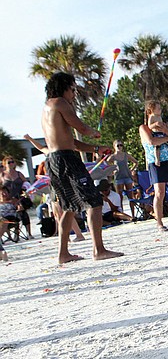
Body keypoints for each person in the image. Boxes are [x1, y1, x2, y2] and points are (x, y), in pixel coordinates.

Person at [40, 72, 123, 263]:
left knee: (69, 206)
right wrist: (92, 132)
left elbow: (73, 143)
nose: (74, 94)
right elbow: (82, 129)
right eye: (73, 89)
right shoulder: (60, 103)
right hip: (66, 160)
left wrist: (96, 148)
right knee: (94, 200)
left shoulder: (47, 108)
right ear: (64, 87)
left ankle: (63, 254)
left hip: (55, 159)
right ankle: (98, 250)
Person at [139, 100, 168, 231]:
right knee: (159, 193)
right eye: (157, 107)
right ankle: (159, 223)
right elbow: (151, 141)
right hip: (155, 162)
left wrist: (165, 130)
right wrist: (166, 139)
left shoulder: (163, 126)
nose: (160, 109)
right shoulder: (144, 128)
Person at [1, 156, 32, 239]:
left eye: (12, 162)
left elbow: (26, 184)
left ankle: (28, 233)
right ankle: (10, 235)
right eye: (9, 162)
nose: (11, 164)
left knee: (23, 212)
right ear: (5, 164)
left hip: (20, 197)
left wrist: (25, 190)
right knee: (6, 214)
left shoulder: (19, 173)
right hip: (8, 198)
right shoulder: (2, 175)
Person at [106, 140, 138, 217]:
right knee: (119, 197)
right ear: (114, 147)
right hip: (118, 177)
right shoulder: (113, 157)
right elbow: (107, 162)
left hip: (127, 176)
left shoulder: (126, 155)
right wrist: (112, 170)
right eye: (118, 145)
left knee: (130, 196)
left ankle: (133, 215)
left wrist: (131, 170)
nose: (120, 147)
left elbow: (136, 162)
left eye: (121, 145)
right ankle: (123, 216)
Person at [146, 102, 168, 167]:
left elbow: (161, 124)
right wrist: (155, 124)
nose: (160, 110)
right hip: (156, 134)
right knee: (157, 147)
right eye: (158, 109)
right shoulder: (152, 117)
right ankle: (157, 159)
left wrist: (165, 125)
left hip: (162, 133)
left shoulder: (159, 117)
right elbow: (149, 126)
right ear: (153, 110)